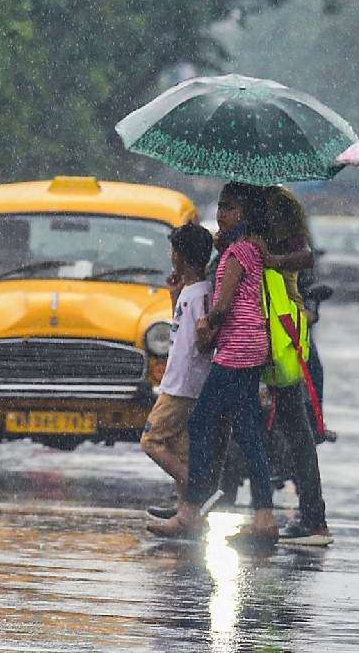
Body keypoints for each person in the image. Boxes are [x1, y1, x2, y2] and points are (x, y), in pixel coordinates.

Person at [149, 182, 277, 545]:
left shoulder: (238, 254)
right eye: (220, 207)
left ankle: (191, 509)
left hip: (237, 349)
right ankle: (263, 516)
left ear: (244, 215)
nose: (221, 214)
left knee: (203, 421)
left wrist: (208, 324)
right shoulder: (250, 249)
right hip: (250, 347)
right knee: (248, 432)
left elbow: (222, 305)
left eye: (229, 208)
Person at [258, 186, 331, 545]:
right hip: (248, 328)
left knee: (297, 420)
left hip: (279, 326)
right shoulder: (242, 202)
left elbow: (304, 257)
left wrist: (272, 260)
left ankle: (311, 516)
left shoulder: (279, 205)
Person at [141, 222, 214, 519]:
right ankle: (187, 513)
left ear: (180, 256)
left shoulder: (200, 295)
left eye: (174, 251)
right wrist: (174, 295)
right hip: (182, 381)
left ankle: (198, 490)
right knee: (180, 447)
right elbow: (180, 328)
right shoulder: (192, 291)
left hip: (182, 385)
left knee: (151, 441)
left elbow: (201, 340)